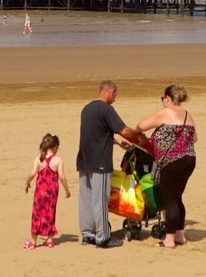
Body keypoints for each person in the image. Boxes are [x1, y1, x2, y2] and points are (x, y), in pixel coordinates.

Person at [76, 80, 139, 249]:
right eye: (115, 96)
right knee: (100, 200)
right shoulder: (106, 108)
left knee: (86, 199)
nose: (115, 99)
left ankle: (87, 234)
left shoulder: (87, 109)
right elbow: (123, 130)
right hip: (100, 162)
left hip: (84, 161)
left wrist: (118, 143)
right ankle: (103, 237)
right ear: (110, 92)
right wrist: (138, 136)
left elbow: (97, 135)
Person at [135, 84, 197, 248]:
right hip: (189, 159)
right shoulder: (187, 115)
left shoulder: (165, 112)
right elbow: (194, 138)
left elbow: (141, 126)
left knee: (169, 199)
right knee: (177, 197)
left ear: (168, 98)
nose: (162, 101)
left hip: (172, 161)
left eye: (162, 98)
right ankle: (180, 235)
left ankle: (169, 239)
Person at [24, 133, 71, 250]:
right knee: (50, 213)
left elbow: (32, 173)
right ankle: (49, 240)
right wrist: (67, 189)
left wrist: (27, 182)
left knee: (36, 214)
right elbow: (62, 177)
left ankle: (33, 241)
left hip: (40, 192)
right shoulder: (58, 160)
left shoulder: (38, 159)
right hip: (52, 192)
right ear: (55, 147)